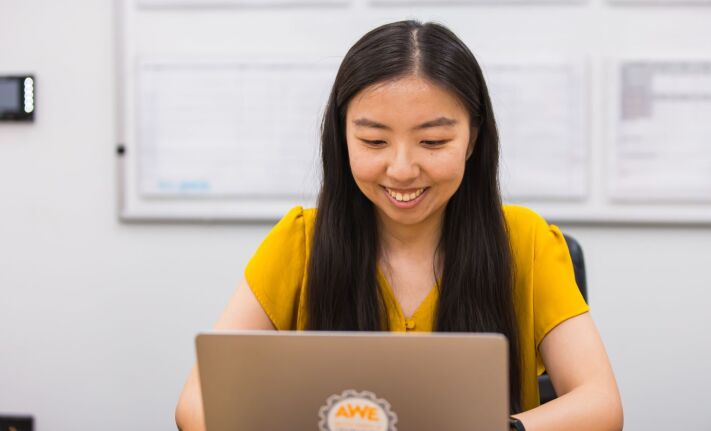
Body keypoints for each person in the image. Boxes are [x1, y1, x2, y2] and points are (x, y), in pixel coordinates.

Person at [175, 20, 623, 431]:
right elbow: (195, 402)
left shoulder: (524, 240)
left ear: (473, 139)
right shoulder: (300, 241)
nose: (403, 169)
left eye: (433, 141)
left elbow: (601, 403)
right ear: (341, 136)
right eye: (374, 141)